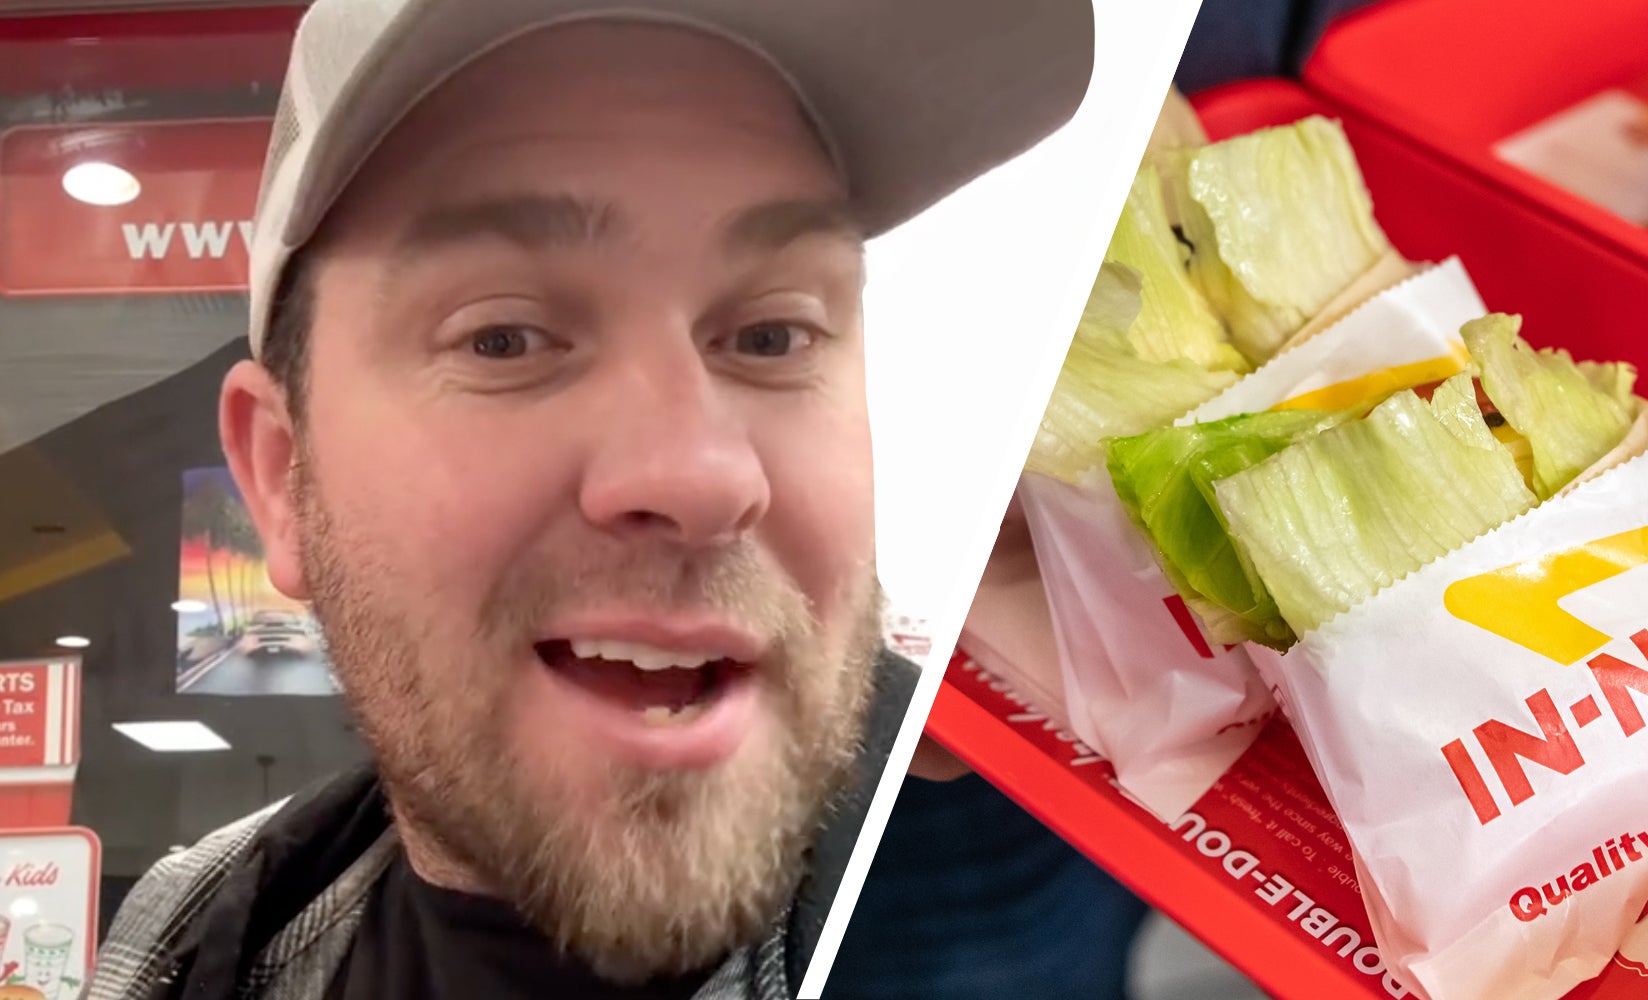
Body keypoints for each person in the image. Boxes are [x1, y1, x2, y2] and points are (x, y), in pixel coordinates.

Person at [85, 2, 1090, 999]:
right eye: (503, 339)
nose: (702, 477)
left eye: (771, 335)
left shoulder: (982, 877)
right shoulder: (185, 928)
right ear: (280, 480)